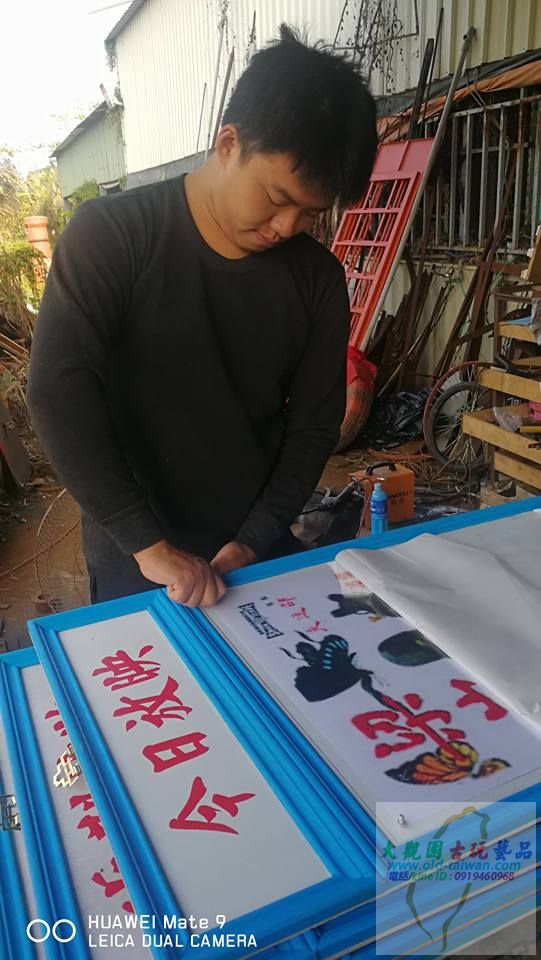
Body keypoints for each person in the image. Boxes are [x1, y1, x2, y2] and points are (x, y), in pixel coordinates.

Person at [27, 25, 377, 609]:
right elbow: (58, 394)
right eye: (278, 198)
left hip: (255, 551)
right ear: (228, 144)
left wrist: (253, 540)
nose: (287, 227)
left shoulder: (316, 279)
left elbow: (314, 426)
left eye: (311, 213)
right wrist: (147, 546)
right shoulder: (111, 237)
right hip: (136, 557)